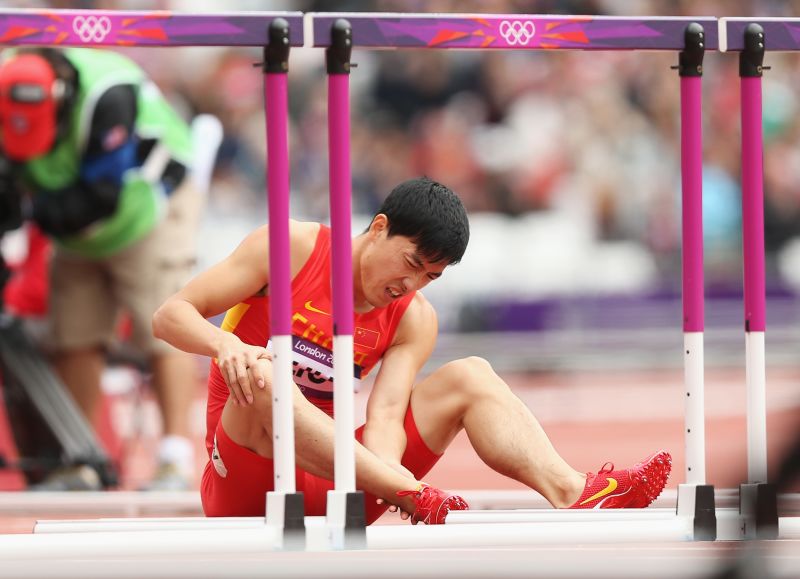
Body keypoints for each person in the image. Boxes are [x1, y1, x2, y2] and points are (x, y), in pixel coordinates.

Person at [153, 177, 671, 524]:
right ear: (379, 228)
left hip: (337, 476)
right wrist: (225, 344)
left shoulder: (413, 317)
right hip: (246, 479)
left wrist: (386, 477)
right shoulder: (289, 249)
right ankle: (409, 494)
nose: (413, 283)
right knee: (266, 374)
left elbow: (384, 418)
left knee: (471, 374)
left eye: (431, 275)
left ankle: (575, 491)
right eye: (412, 262)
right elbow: (169, 315)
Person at [0, 47, 203, 490]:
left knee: (165, 323)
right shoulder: (7, 82)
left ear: (59, 100)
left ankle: (176, 458)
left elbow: (101, 198)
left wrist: (30, 212)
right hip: (73, 217)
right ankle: (82, 460)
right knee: (74, 331)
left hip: (148, 204)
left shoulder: (108, 95)